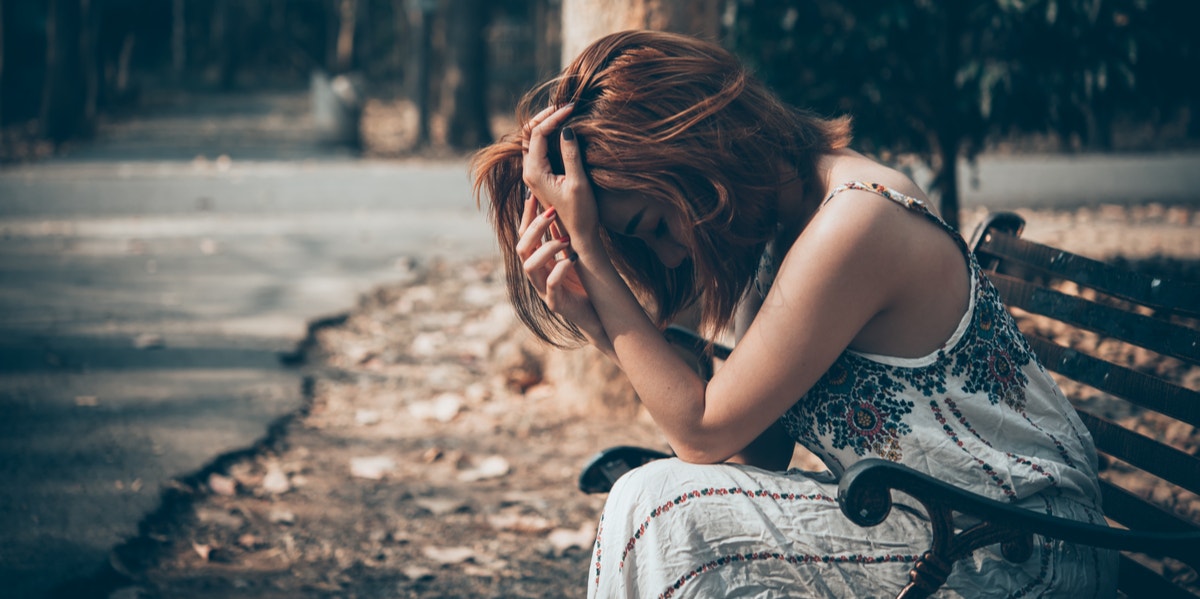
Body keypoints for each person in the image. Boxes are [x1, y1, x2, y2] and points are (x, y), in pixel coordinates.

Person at [472, 30, 1116, 598]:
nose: (670, 251)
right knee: (663, 501)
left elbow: (703, 431)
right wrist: (598, 323)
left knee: (656, 507)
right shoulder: (785, 231)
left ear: (695, 154)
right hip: (948, 532)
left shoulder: (856, 222)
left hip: (1028, 550)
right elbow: (753, 450)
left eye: (655, 224)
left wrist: (593, 260)